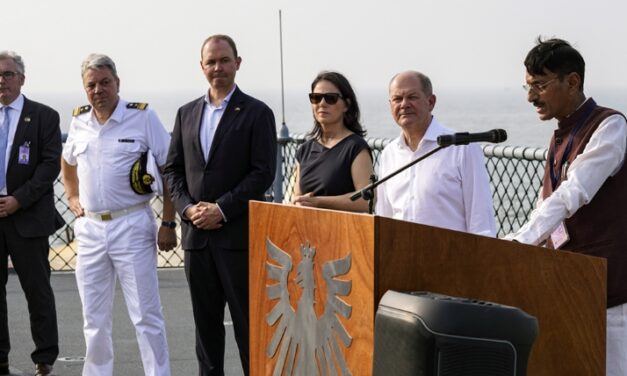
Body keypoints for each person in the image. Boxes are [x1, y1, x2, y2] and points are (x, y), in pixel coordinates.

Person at [505, 37, 627, 376]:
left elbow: (573, 192)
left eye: (540, 86)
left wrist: (521, 241)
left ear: (572, 82)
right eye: (527, 87)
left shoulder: (610, 126)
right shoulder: (561, 133)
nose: (531, 97)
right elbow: (547, 202)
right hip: (569, 284)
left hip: (609, 291)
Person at [163, 35, 277, 375]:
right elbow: (173, 169)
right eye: (211, 62)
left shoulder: (258, 113)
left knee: (248, 328)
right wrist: (187, 209)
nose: (218, 68)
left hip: (238, 238)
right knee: (206, 331)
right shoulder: (186, 113)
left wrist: (222, 209)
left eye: (224, 60)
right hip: (197, 240)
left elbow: (263, 173)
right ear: (202, 67)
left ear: (237, 63)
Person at [61, 53, 176, 376]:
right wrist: (71, 196)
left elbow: (169, 170)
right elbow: (67, 160)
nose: (98, 90)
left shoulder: (142, 117)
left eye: (105, 83)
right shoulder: (79, 120)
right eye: (91, 85)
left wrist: (168, 222)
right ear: (85, 89)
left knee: (145, 315)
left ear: (118, 84)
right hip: (91, 229)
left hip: (133, 223)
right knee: (93, 318)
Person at [0, 51, 62, 376]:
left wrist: (18, 200)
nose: (2, 80)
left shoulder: (44, 117)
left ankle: (44, 358)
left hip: (27, 217)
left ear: (22, 79)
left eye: (8, 74)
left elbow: (50, 165)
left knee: (37, 291)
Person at [375, 70, 496, 236]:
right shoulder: (389, 154)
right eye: (397, 99)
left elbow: (481, 220)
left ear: (430, 102)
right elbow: (385, 218)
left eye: (412, 97)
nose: (404, 104)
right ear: (390, 106)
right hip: (402, 258)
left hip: (450, 258)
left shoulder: (462, 148)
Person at [292, 71, 373, 212]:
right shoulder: (304, 150)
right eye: (316, 98)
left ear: (346, 105)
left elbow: (366, 200)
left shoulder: (356, 148)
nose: (322, 103)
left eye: (330, 98)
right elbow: (296, 197)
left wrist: (318, 202)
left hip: (342, 231)